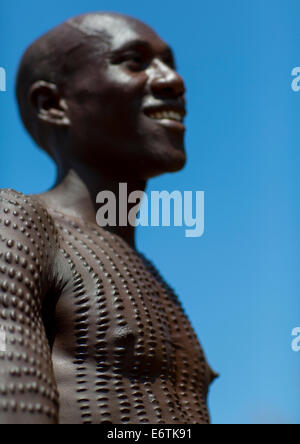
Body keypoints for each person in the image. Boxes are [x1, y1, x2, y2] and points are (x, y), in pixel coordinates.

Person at [0, 12, 216, 424]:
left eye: (170, 63)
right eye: (134, 62)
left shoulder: (154, 278)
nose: (173, 80)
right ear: (52, 104)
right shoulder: (15, 223)